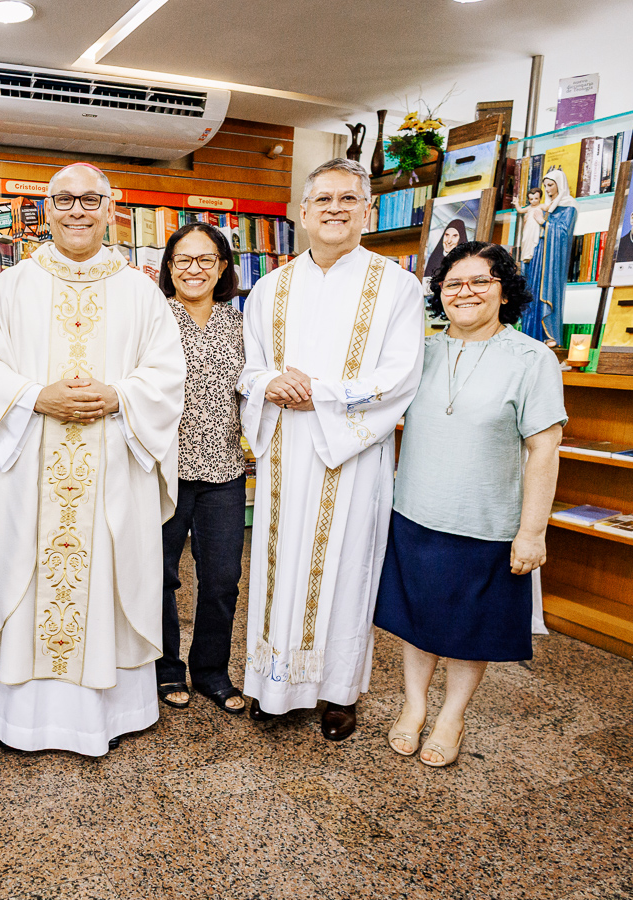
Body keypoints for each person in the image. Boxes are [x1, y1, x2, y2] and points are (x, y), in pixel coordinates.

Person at [0, 162, 186, 756]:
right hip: (30, 469)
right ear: (47, 209)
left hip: (113, 467)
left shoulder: (140, 291)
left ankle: (109, 715)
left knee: (109, 577)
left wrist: (120, 396)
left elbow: (168, 375)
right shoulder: (12, 286)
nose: (77, 211)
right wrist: (35, 397)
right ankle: (26, 719)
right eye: (64, 200)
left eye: (91, 200)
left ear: (110, 209)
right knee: (29, 573)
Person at [238, 157, 423, 741]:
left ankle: (339, 692)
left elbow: (400, 376)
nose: (335, 209)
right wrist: (269, 384)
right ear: (303, 211)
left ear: (368, 210)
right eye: (323, 199)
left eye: (348, 199)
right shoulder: (270, 287)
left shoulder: (397, 286)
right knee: (279, 563)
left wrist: (318, 393)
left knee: (345, 568)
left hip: (351, 454)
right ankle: (274, 685)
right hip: (284, 451)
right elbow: (248, 367)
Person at [375, 241, 566, 766]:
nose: (465, 292)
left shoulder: (532, 359)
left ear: (504, 291)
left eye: (481, 281)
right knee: (417, 620)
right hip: (415, 513)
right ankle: (413, 706)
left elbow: (544, 450)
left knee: (468, 629)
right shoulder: (421, 352)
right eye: (453, 283)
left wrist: (532, 532)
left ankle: (451, 717)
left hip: (485, 523)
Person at [154, 223, 247, 716]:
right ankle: (165, 668)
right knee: (159, 577)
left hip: (224, 471)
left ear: (222, 266)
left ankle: (211, 670)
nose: (194, 269)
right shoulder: (153, 318)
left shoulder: (242, 324)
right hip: (163, 471)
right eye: (183, 260)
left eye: (205, 259)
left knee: (222, 579)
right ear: (169, 267)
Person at [521, 168, 578, 346]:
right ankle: (530, 334)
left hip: (551, 258)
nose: (547, 189)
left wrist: (543, 222)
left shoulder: (569, 205)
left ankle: (549, 335)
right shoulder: (545, 206)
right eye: (545, 186)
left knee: (547, 292)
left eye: (551, 185)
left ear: (559, 185)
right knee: (531, 292)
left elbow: (564, 233)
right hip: (537, 253)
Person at [423, 218, 467, 286]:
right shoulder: (434, 259)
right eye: (447, 235)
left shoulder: (465, 262)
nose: (449, 241)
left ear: (460, 239)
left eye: (454, 236)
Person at [514, 188, 545, 262]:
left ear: (540, 198)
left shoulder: (541, 206)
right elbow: (520, 210)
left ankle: (531, 254)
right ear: (529, 200)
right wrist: (516, 203)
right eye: (531, 199)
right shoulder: (529, 208)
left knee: (534, 239)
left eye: (536, 198)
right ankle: (526, 255)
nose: (534, 201)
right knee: (526, 239)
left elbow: (549, 207)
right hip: (528, 227)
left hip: (536, 227)